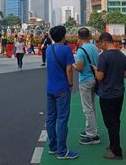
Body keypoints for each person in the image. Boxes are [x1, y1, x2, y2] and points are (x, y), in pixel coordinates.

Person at [93, 32, 126, 160]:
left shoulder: (103, 56)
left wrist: (96, 69)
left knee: (110, 122)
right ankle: (114, 144)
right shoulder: (121, 55)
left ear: (104, 42)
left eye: (99, 43)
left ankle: (116, 151)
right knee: (116, 120)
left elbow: (100, 77)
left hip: (107, 94)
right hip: (119, 93)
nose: (99, 46)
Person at [45, 25, 78, 160]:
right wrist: (71, 84)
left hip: (50, 88)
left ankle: (53, 147)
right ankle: (62, 151)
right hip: (62, 88)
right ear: (64, 36)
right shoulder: (66, 50)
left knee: (51, 118)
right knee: (62, 119)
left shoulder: (48, 49)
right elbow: (69, 70)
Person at [73, 27, 100, 145]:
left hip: (85, 80)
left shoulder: (81, 50)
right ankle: (92, 130)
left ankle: (92, 135)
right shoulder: (94, 47)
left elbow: (79, 68)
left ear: (79, 37)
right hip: (94, 79)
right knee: (92, 106)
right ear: (89, 36)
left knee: (87, 107)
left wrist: (73, 65)